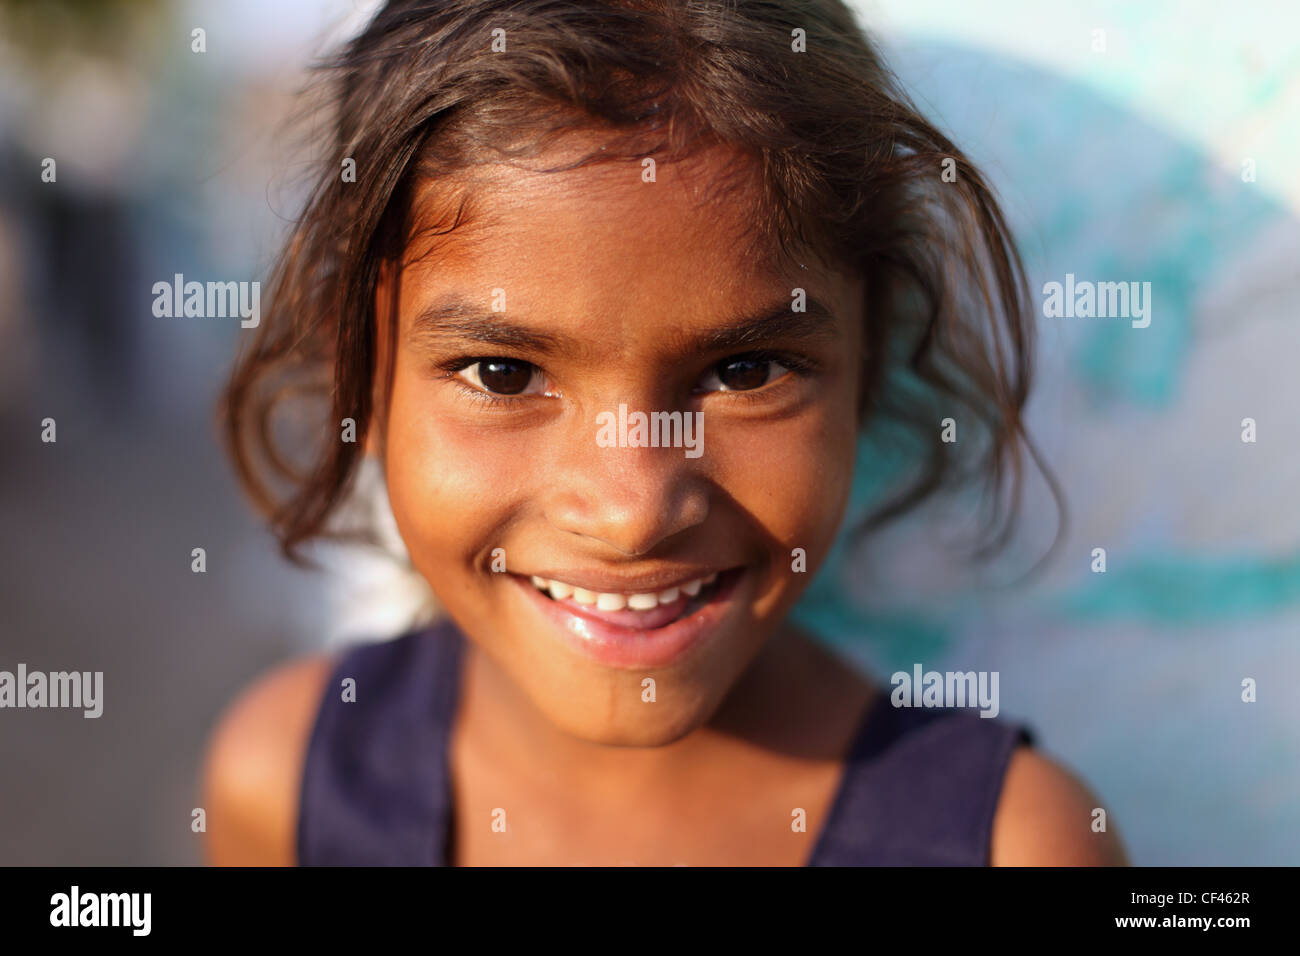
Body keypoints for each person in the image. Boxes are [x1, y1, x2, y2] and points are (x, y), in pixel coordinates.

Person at [201, 0, 1128, 866]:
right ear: (361, 371)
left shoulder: (1013, 845)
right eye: (503, 373)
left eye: (746, 370)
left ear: (869, 357)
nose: (632, 512)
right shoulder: (284, 784)